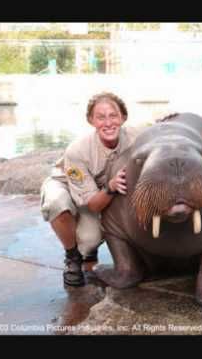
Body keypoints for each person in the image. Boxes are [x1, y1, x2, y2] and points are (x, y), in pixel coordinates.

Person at [40, 92, 145, 287]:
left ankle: (88, 251)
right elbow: (95, 205)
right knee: (57, 203)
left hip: (99, 188)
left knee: (90, 241)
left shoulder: (136, 136)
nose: (108, 123)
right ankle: (72, 257)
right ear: (91, 121)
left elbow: (162, 134)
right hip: (68, 184)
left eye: (113, 115)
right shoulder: (77, 150)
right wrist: (111, 188)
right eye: (101, 117)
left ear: (123, 117)